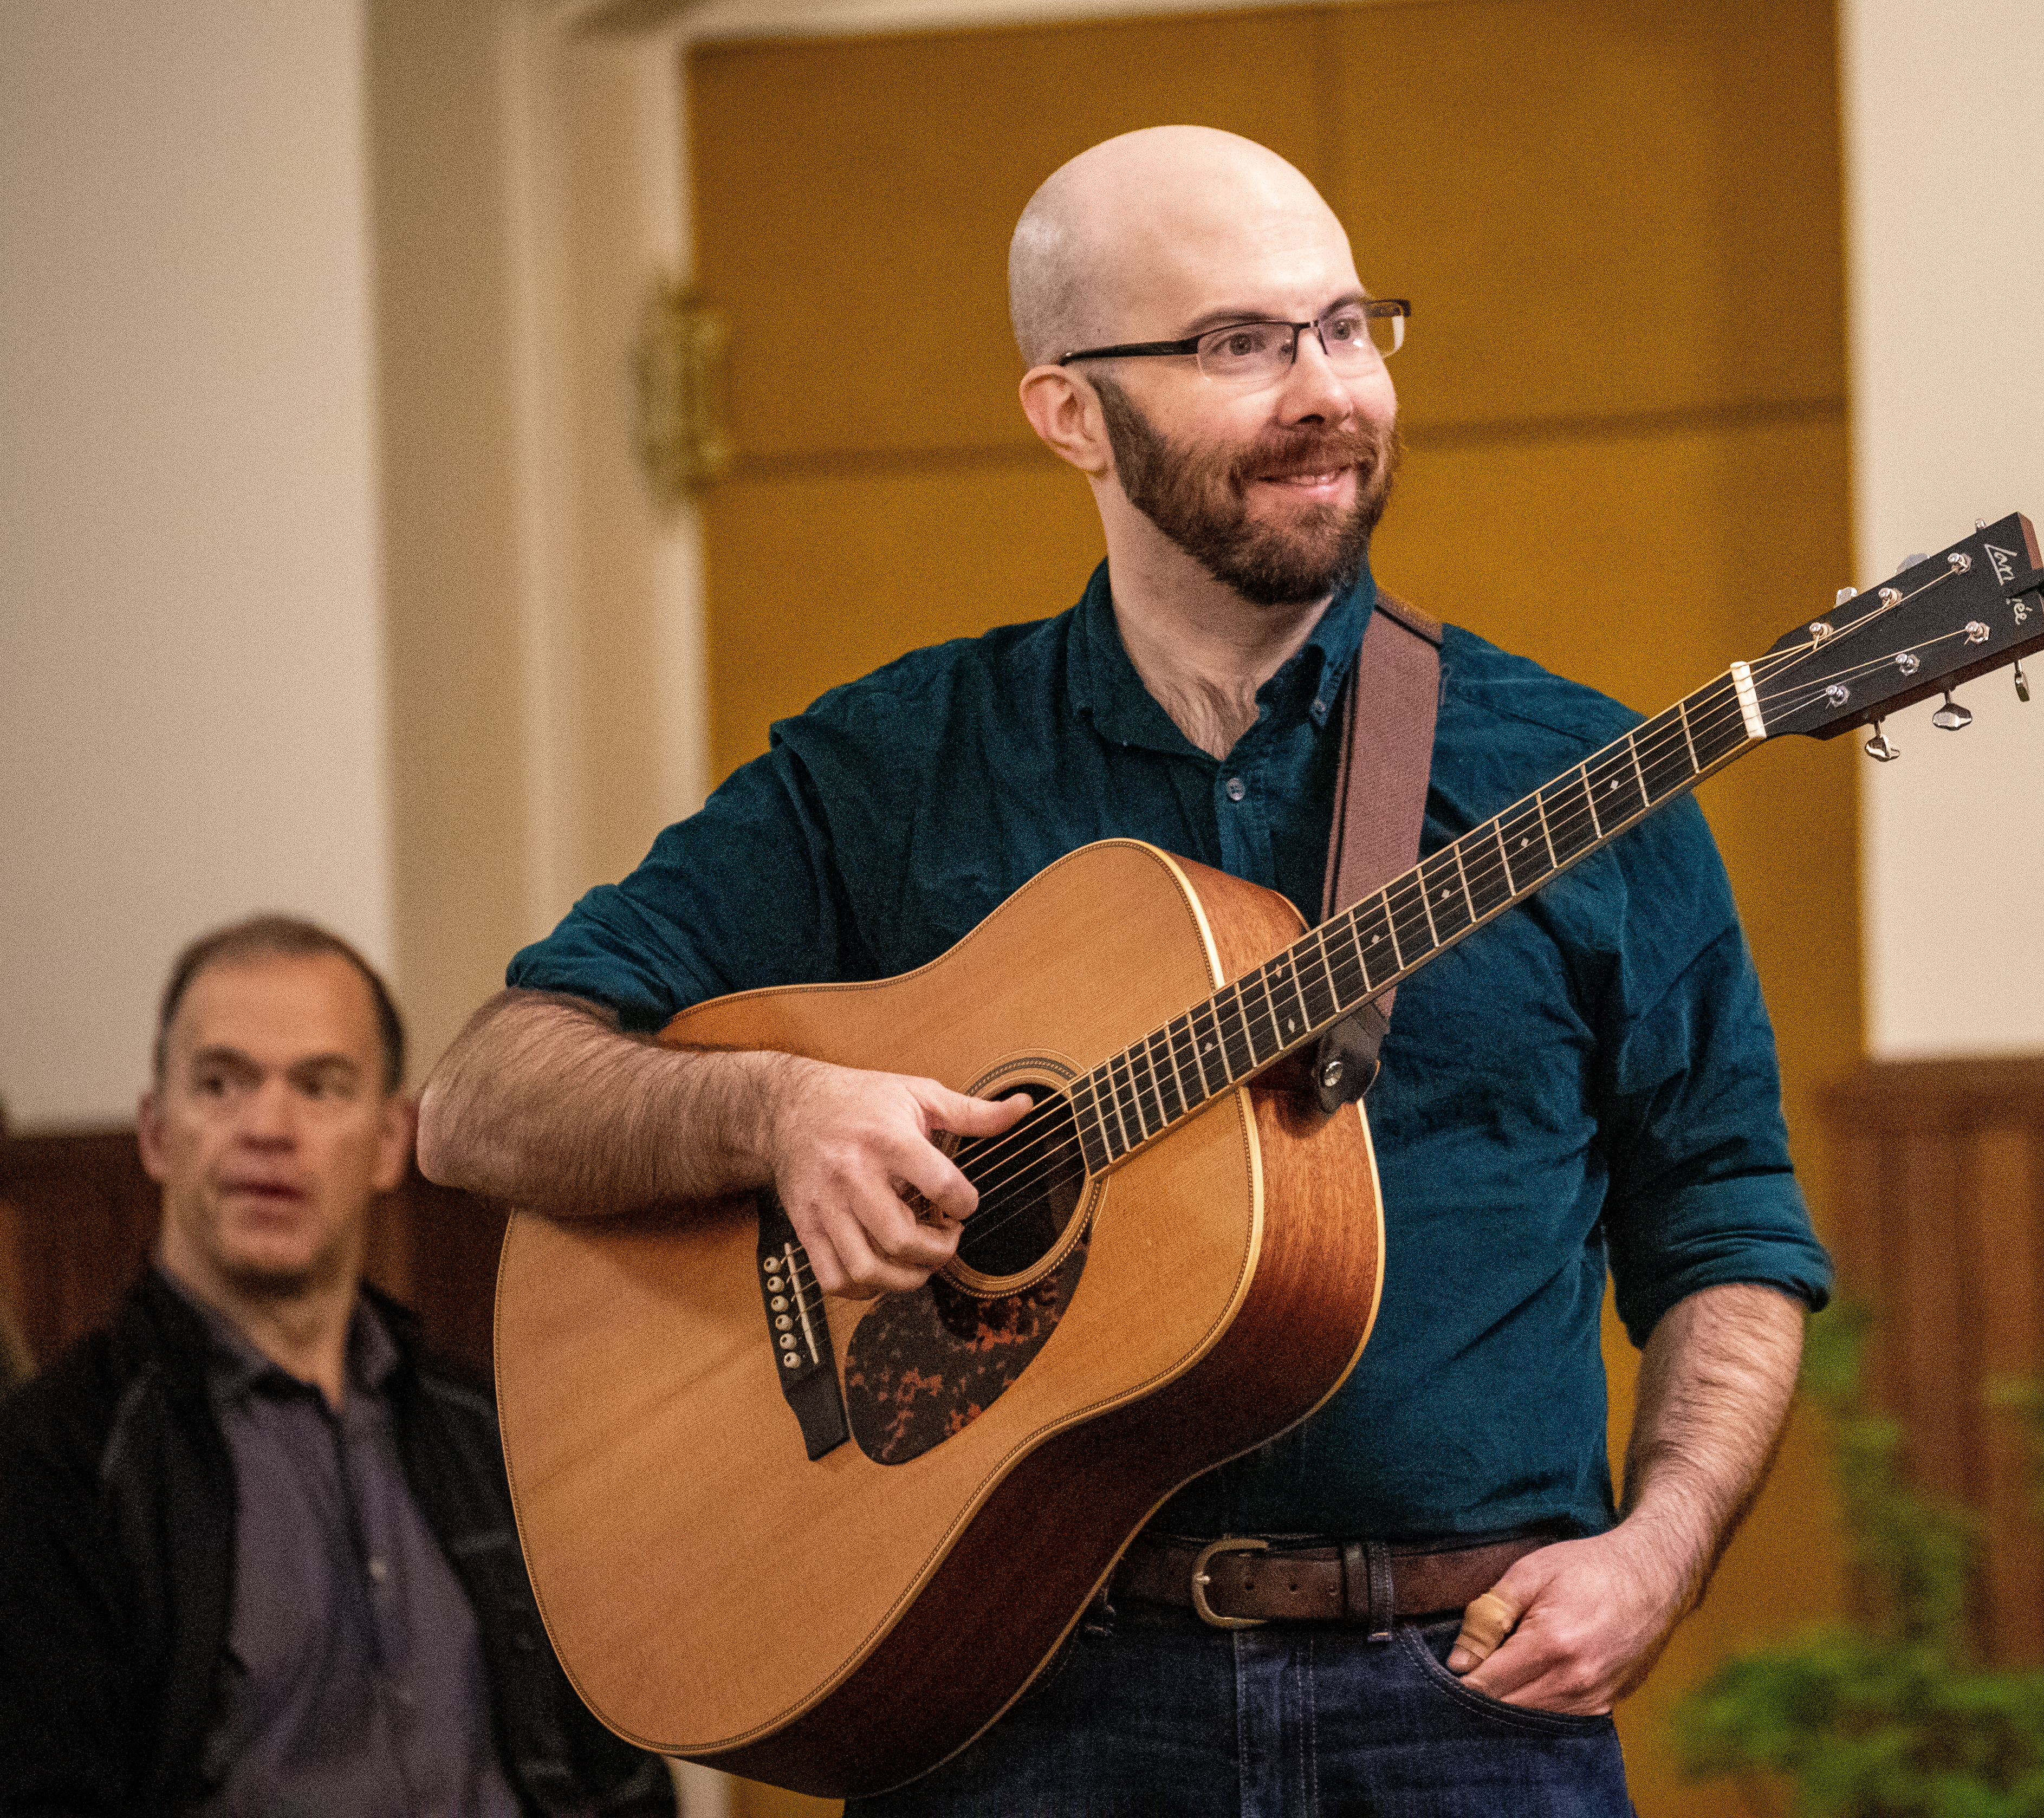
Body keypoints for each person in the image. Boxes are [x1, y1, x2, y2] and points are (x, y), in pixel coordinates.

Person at [417, 125, 1833, 1813]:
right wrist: (776, 1114)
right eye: (1240, 343)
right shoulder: (898, 767)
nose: (1328, 392)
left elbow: (1727, 1218)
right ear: (1069, 412)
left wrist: (1663, 1548)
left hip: (1465, 1701)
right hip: (1011, 1693)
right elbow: (483, 1100)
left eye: (1348, 327)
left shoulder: (1583, 775)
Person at [0, 915, 674, 1818]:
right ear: (156, 1133)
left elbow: (624, 1779)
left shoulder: (496, 1434)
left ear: (393, 1141)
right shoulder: (57, 1461)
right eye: (222, 1082)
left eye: (320, 1086)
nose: (268, 1128)